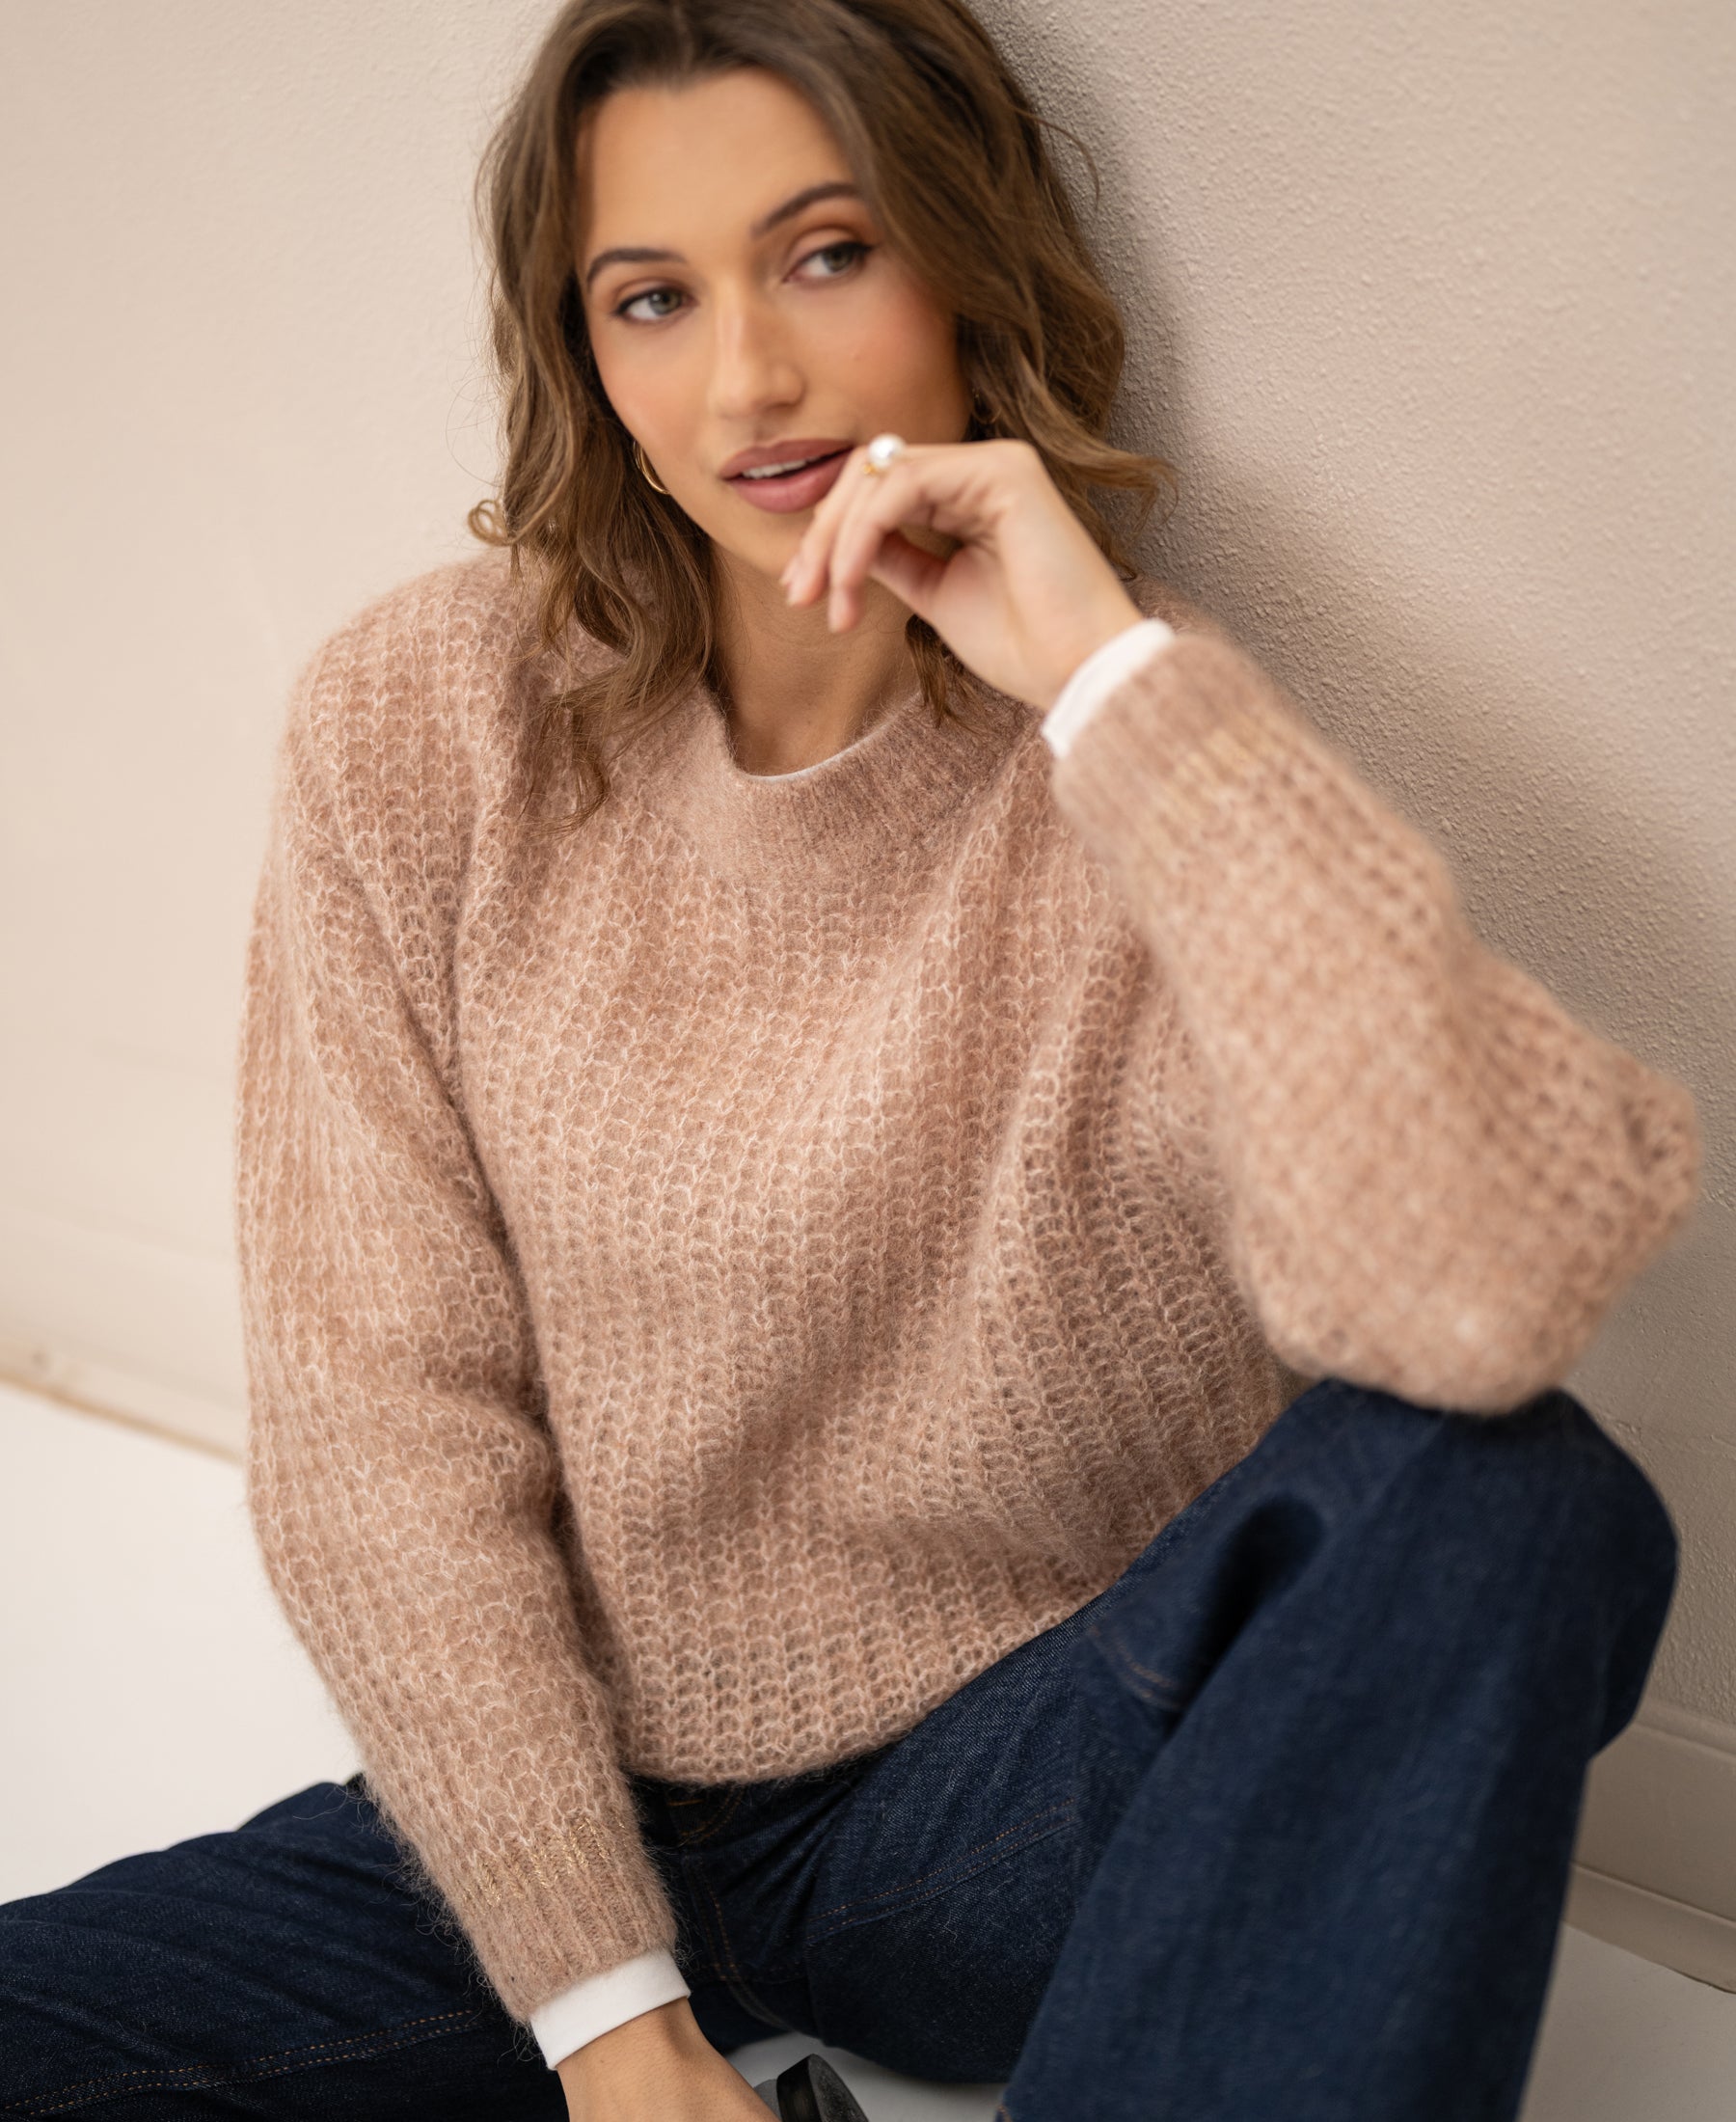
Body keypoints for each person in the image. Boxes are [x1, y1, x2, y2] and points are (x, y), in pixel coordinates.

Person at [0, 2, 1701, 2117]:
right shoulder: (421, 727)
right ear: (584, 351)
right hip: (568, 1807)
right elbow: (378, 1419)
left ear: (966, 262)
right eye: (653, 295)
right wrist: (607, 2012)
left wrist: (1103, 679)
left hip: (1001, 1808)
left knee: (1523, 1502)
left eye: (827, 252)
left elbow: (1481, 1295)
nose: (750, 377)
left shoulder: (1137, 754)